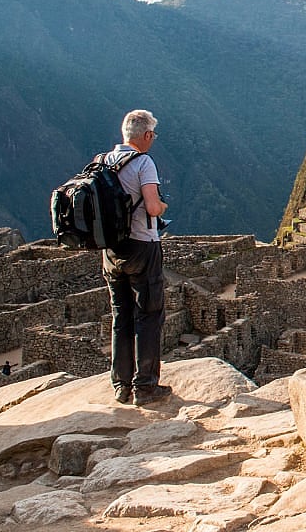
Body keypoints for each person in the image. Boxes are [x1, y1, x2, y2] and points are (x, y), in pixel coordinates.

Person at [102, 109, 172, 407]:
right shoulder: (144, 162)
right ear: (145, 135)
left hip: (110, 250)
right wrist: (162, 207)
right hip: (142, 246)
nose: (153, 140)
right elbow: (153, 207)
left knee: (121, 317)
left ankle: (120, 385)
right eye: (152, 135)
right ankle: (145, 387)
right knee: (149, 314)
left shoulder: (103, 161)